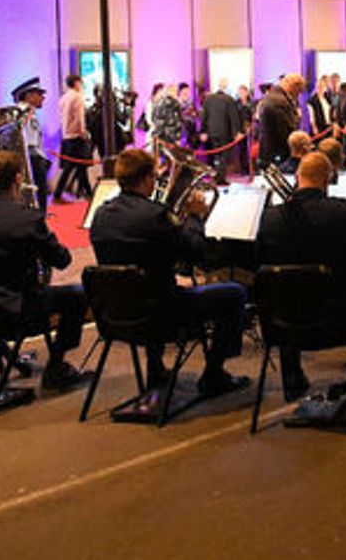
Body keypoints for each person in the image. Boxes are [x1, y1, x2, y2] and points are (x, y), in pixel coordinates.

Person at [89, 148, 249, 396]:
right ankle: (214, 373)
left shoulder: (100, 215)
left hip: (117, 314)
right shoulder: (156, 216)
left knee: (147, 285)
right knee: (234, 293)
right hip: (163, 314)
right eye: (154, 177)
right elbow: (197, 254)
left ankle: (156, 369)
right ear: (146, 179)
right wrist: (194, 218)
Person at [0, 152, 90, 391]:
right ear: (18, 178)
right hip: (18, 310)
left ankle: (12, 358)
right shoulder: (28, 217)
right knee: (78, 295)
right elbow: (62, 260)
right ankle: (56, 367)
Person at [258, 151, 346, 400]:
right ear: (328, 179)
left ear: (298, 177)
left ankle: (292, 378)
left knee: (284, 289)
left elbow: (260, 263)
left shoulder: (270, 217)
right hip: (338, 319)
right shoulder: (345, 211)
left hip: (282, 323)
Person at [7, 78, 52, 211]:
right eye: (39, 94)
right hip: (32, 159)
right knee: (37, 197)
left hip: (33, 157)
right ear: (29, 95)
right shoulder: (24, 112)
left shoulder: (27, 112)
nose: (43, 98)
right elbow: (27, 142)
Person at [53, 74, 93, 203]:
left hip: (67, 136)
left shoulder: (63, 98)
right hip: (76, 136)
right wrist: (83, 132)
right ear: (76, 83)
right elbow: (80, 118)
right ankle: (58, 193)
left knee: (79, 167)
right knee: (73, 166)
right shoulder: (77, 97)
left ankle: (88, 193)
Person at [200, 81, 243, 185]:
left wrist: (203, 131)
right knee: (223, 156)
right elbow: (233, 117)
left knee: (216, 155)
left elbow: (204, 116)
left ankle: (217, 176)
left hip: (212, 131)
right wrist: (237, 132)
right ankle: (220, 178)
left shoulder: (208, 99)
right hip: (225, 132)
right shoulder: (229, 99)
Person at [258, 74, 303, 168]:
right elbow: (287, 129)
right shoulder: (280, 101)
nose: (298, 95)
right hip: (278, 152)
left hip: (268, 150)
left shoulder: (272, 95)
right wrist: (297, 118)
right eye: (299, 91)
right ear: (293, 87)